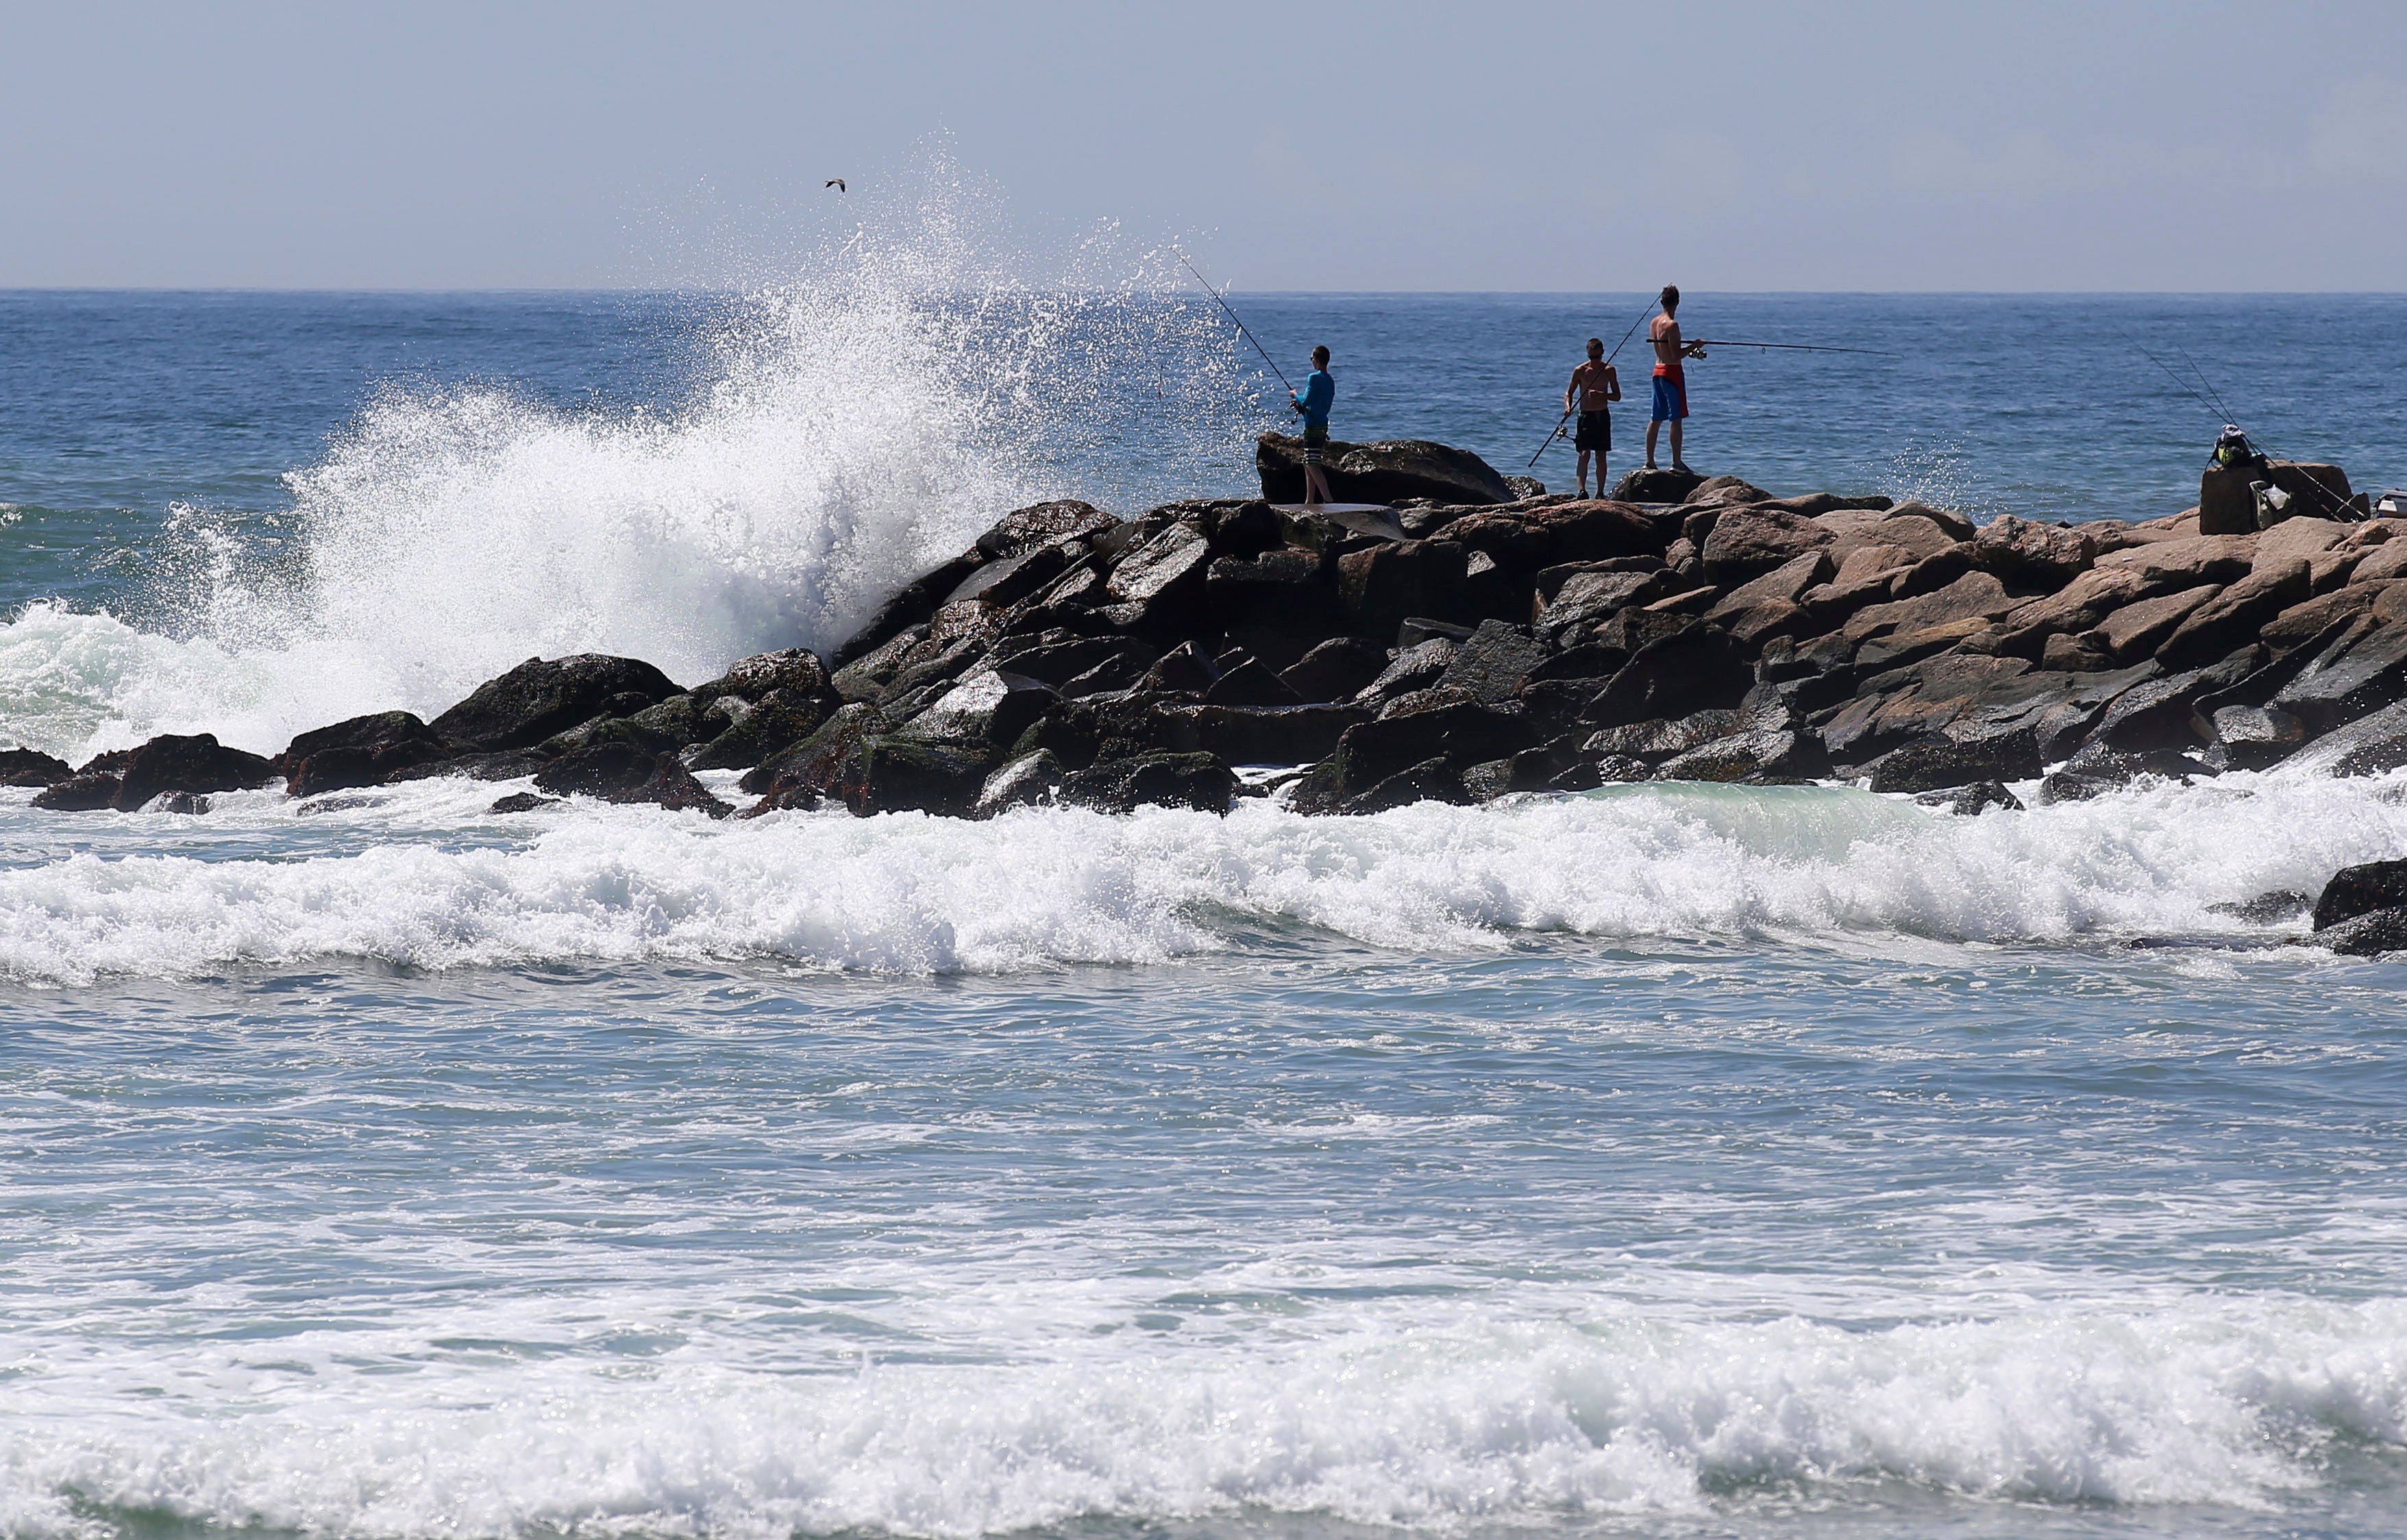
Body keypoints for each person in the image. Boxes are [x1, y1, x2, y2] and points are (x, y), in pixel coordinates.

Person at [1644, 285, 1704, 473]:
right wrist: (1695, 345)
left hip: (1657, 371)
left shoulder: (1654, 323)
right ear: (1677, 302)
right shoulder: (1672, 325)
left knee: (1656, 418)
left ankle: (1650, 461)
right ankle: (1677, 462)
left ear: (1662, 301)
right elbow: (1677, 354)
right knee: (1675, 419)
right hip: (1672, 373)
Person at [1562, 336, 1622, 497]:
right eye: (1591, 358)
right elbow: (1569, 393)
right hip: (1585, 416)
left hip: (1602, 415)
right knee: (1584, 454)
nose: (1594, 361)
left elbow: (1617, 396)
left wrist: (1602, 395)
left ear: (1602, 354)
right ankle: (1582, 491)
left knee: (1601, 455)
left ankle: (1600, 492)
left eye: (1597, 357)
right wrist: (1568, 408)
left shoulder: (1609, 370)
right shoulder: (1580, 371)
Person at [1291, 345, 1335, 506]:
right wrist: (1302, 409)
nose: (1312, 361)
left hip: (1312, 428)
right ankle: (1309, 501)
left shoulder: (1314, 378)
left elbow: (1306, 400)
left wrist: (1295, 396)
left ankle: (1328, 500)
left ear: (1316, 359)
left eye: (1312, 359)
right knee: (1307, 462)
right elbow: (1318, 406)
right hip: (1322, 426)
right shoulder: (1330, 381)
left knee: (1312, 464)